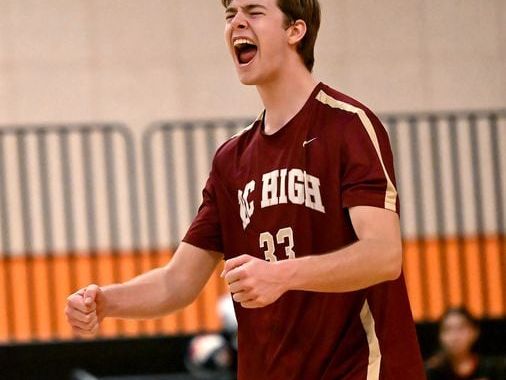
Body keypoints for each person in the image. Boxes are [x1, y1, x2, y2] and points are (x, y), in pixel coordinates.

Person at [65, 0, 426, 378]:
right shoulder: (231, 159)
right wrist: (107, 302)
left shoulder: (348, 126)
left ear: (295, 30)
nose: (237, 23)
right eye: (229, 14)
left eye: (253, 12)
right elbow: (178, 282)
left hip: (360, 368)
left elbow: (384, 256)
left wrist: (281, 275)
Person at [426, 307, 506, 380]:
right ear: (440, 335)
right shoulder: (432, 372)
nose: (454, 337)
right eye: (447, 329)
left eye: (460, 329)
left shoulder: (495, 368)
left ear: (475, 332)